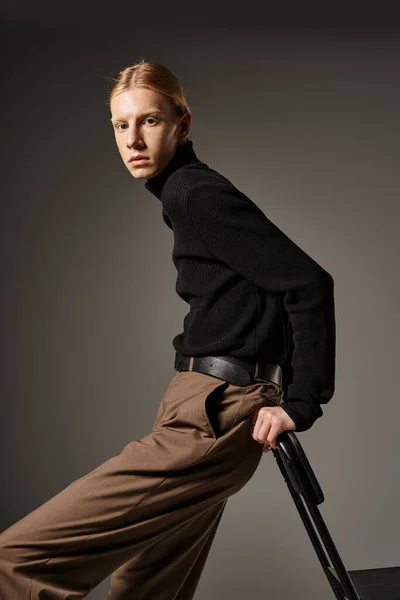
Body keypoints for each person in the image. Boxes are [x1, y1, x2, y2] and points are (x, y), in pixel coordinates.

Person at [0, 59, 336, 599]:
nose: (132, 139)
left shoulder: (193, 194)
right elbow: (278, 293)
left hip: (212, 412)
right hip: (206, 402)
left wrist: (301, 402)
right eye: (120, 125)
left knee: (16, 562)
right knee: (149, 588)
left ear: (182, 125)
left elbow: (308, 284)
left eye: (149, 122)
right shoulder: (183, 195)